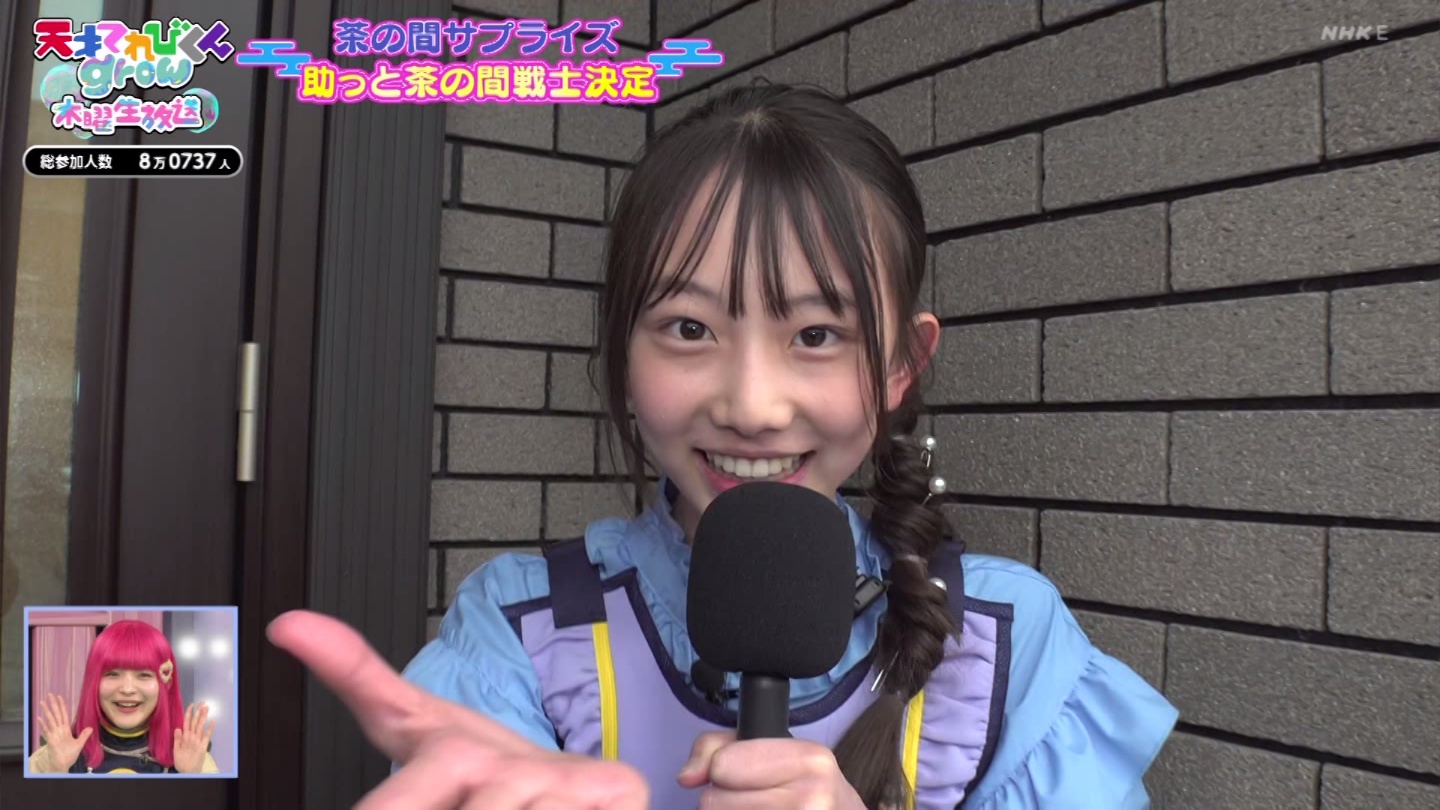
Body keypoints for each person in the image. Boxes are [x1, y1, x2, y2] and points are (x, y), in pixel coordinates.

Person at [268, 82, 1178, 809]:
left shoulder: (1004, 644)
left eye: (815, 334)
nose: (751, 406)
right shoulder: (521, 632)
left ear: (903, 365)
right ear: (623, 357)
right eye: (689, 329)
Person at [29, 619, 218, 774]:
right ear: (93, 682)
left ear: (166, 682)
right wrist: (56, 771)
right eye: (112, 674)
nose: (127, 689)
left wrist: (191, 777)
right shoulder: (53, 755)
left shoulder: (194, 758)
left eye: (143, 675)